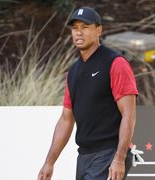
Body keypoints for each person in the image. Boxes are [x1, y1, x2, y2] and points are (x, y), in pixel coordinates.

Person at [38, 6, 139, 180]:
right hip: (84, 156)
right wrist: (49, 162)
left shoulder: (116, 63)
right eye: (75, 28)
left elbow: (129, 114)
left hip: (109, 153)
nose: (79, 33)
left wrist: (120, 158)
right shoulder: (73, 72)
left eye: (85, 27)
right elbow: (66, 119)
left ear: (99, 30)